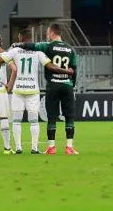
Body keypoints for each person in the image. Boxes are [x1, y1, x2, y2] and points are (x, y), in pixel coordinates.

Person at [15, 24, 78, 154]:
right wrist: (73, 85)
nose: (47, 35)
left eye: (48, 33)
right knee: (69, 116)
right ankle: (69, 147)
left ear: (53, 33)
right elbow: (74, 69)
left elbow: (32, 46)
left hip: (53, 85)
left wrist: (18, 45)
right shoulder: (70, 49)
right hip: (67, 85)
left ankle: (51, 147)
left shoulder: (48, 46)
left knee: (52, 117)